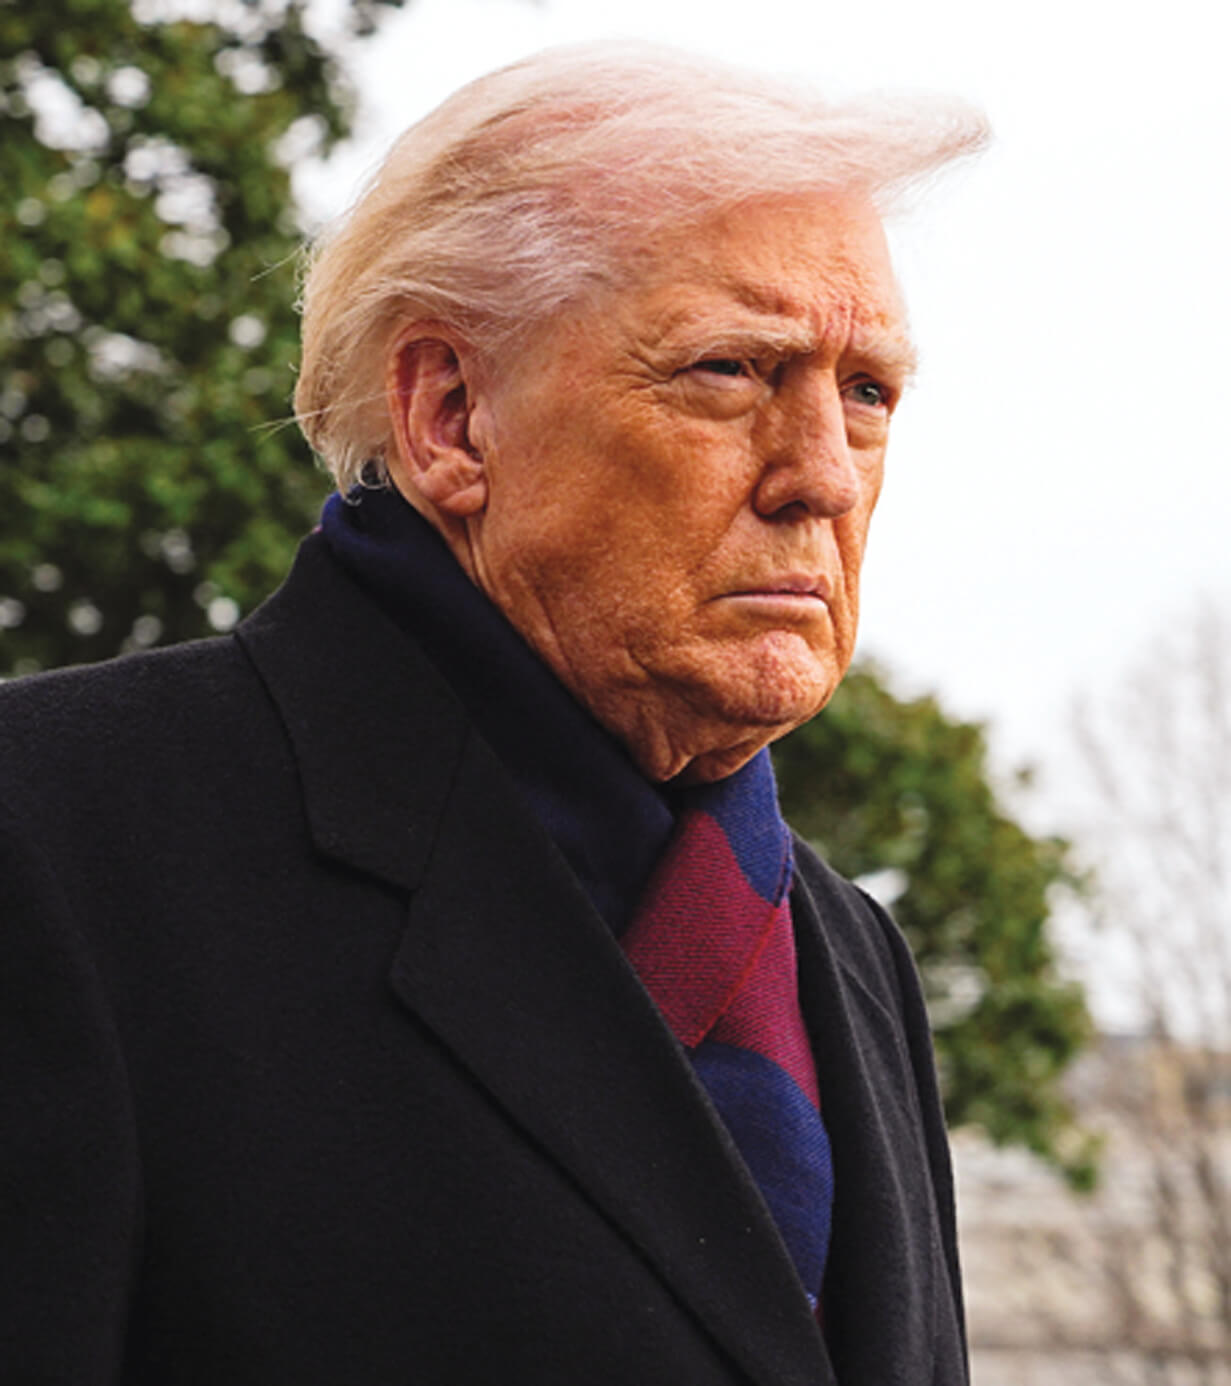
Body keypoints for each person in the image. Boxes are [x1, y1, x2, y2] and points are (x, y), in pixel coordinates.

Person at [0, 42, 987, 1386]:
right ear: (451, 417)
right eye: (730, 370)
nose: (823, 474)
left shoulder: (852, 953)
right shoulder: (56, 838)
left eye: (866, 391)